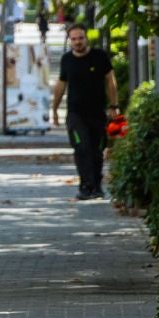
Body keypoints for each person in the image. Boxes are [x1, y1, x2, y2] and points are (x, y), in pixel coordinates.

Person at [51, 25, 118, 200]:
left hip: (97, 113)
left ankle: (96, 185)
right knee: (81, 148)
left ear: (86, 38)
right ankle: (85, 186)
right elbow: (61, 85)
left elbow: (110, 81)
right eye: (73, 39)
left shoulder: (99, 57)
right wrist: (55, 109)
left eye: (80, 38)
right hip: (75, 113)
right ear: (69, 41)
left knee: (96, 150)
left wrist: (114, 105)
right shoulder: (67, 60)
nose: (77, 42)